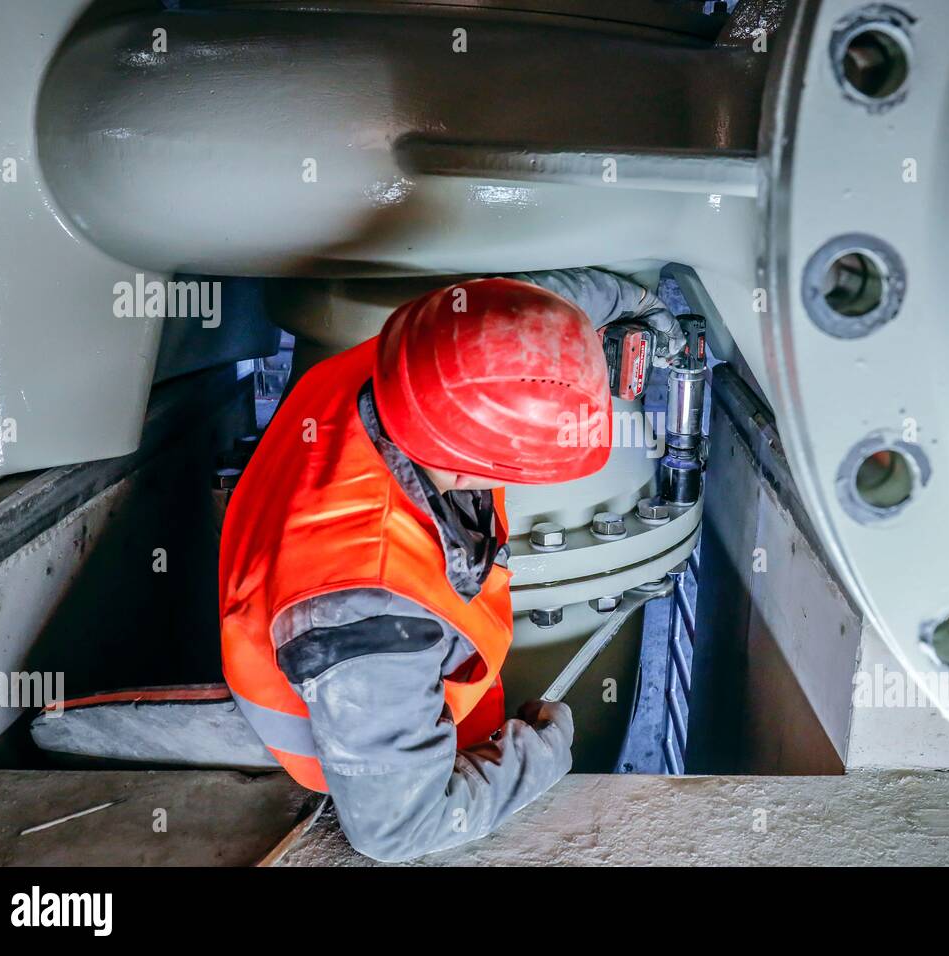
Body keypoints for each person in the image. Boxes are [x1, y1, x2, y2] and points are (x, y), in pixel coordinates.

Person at [219, 269, 679, 862]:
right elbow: (398, 831)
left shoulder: (414, 359)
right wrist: (539, 755)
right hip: (343, 745)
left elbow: (514, 318)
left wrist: (632, 300)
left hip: (355, 650)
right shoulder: (369, 610)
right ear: (467, 472)